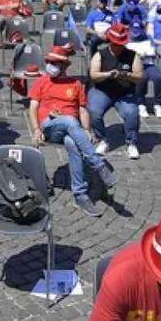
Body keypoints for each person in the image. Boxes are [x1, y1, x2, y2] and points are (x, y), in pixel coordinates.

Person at [29, 45, 116, 217]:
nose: (51, 65)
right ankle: (98, 165)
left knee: (72, 143)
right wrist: (36, 129)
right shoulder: (42, 82)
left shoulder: (75, 84)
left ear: (64, 66)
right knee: (69, 121)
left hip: (71, 130)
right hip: (49, 126)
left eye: (55, 63)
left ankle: (80, 195)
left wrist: (87, 130)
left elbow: (83, 109)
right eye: (49, 62)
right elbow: (33, 107)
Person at [89, 25, 145, 160]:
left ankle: (131, 142)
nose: (117, 46)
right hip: (103, 90)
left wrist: (127, 75)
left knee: (131, 113)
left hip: (124, 92)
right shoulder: (100, 54)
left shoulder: (132, 55)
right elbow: (93, 75)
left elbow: (139, 77)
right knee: (94, 110)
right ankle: (102, 138)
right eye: (115, 43)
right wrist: (108, 74)